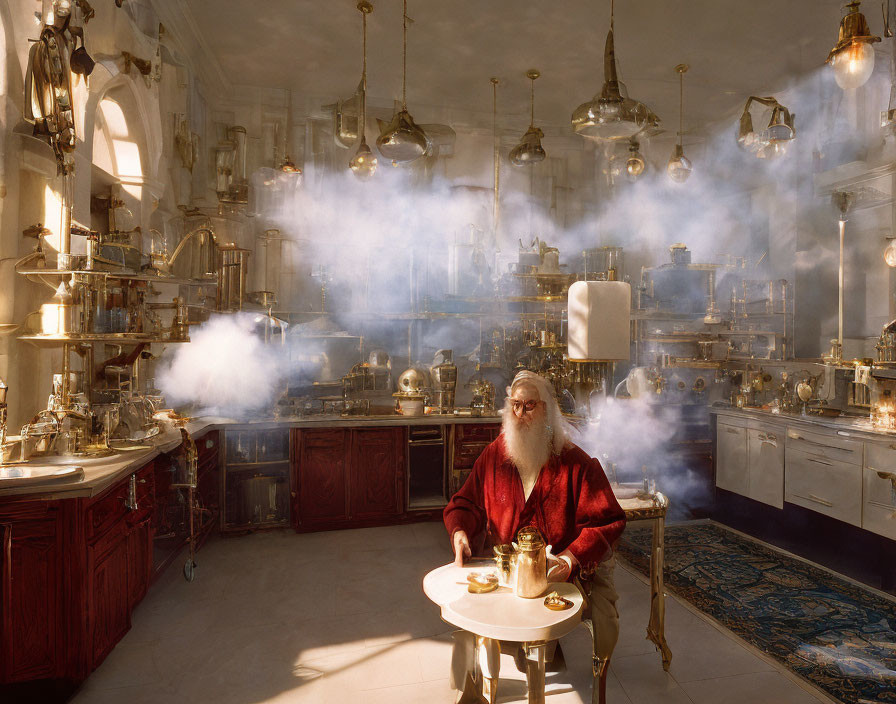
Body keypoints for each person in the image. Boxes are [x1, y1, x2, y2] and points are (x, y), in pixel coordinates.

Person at [443, 370, 626, 704]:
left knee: (541, 639)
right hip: (504, 574)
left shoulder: (575, 463)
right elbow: (464, 502)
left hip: (559, 577)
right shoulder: (495, 456)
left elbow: (609, 519)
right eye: (515, 405)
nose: (520, 414)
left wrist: (571, 557)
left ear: (547, 412)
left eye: (530, 406)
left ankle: (541, 652)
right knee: (463, 616)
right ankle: (476, 688)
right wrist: (459, 532)